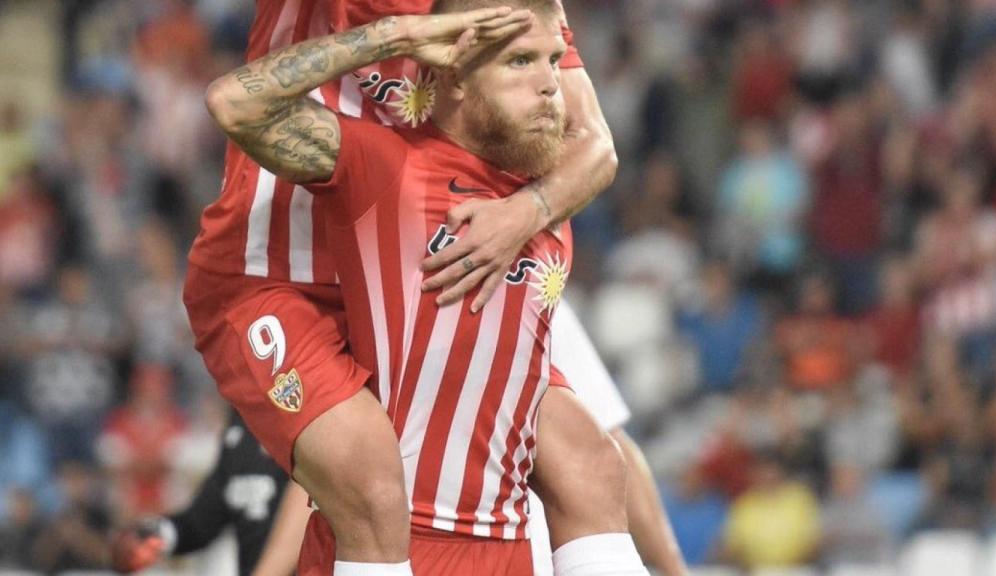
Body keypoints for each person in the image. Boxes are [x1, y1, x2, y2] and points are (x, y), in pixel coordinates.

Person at [222, 1, 687, 574]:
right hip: (391, 538)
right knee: (374, 481)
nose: (550, 84)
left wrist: (529, 208)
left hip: (503, 544)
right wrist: (398, 34)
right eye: (521, 62)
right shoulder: (387, 166)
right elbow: (235, 103)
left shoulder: (546, 195)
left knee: (596, 458)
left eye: (551, 60)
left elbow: (598, 147)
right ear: (455, 78)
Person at [109, 410, 290, 575]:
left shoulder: (304, 420)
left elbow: (305, 512)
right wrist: (152, 534)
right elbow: (201, 521)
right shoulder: (241, 430)